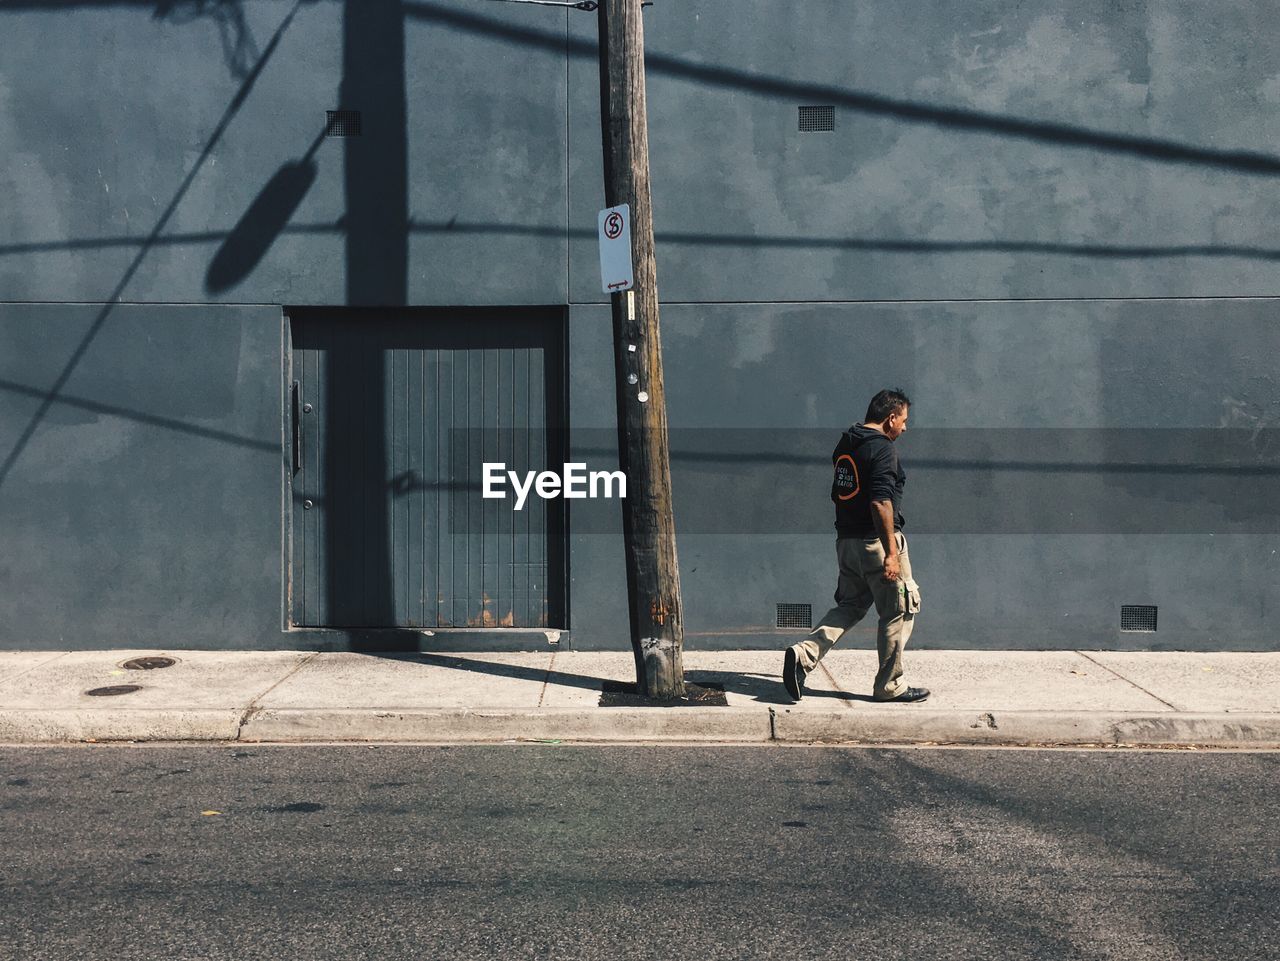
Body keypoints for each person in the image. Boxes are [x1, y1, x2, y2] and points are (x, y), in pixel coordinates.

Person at [783, 388, 929, 703]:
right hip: (877, 542)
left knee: (850, 606)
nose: (904, 428)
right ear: (891, 418)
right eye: (903, 420)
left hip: (847, 543)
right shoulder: (882, 448)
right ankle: (889, 685)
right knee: (898, 611)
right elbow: (880, 502)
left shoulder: (848, 442)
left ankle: (804, 654)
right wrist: (892, 552)